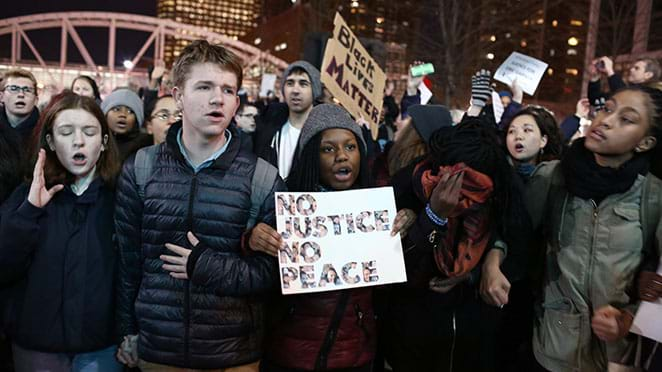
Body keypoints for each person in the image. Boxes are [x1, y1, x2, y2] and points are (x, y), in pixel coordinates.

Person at [114, 39, 285, 372]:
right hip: (158, 350)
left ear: (237, 101)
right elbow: (127, 264)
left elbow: (274, 275)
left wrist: (206, 266)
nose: (217, 98)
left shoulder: (262, 178)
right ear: (178, 95)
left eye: (228, 89)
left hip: (234, 356)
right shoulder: (141, 168)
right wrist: (128, 331)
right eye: (204, 86)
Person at [524, 86, 662, 372]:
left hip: (617, 359)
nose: (607, 120)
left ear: (645, 142)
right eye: (607, 109)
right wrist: (493, 260)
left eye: (627, 119)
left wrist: (630, 318)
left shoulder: (654, 196)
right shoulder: (551, 178)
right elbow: (517, 241)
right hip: (553, 349)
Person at [0, 91, 121, 371]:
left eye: (89, 132)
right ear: (51, 142)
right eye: (66, 132)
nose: (78, 140)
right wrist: (29, 211)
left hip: (100, 347)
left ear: (103, 142)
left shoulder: (120, 198)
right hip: (37, 346)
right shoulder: (27, 194)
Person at [255, 104, 377, 372]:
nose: (342, 157)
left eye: (350, 147)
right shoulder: (282, 204)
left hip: (354, 357)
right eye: (328, 149)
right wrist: (253, 240)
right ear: (311, 156)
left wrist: (416, 221)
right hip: (290, 356)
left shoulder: (376, 211)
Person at [253, 61, 322, 180]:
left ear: (314, 90)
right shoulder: (267, 128)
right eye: (290, 83)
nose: (295, 90)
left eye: (303, 83)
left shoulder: (325, 133)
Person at [101, 88, 152, 161]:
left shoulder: (144, 148)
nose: (123, 114)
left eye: (130, 111)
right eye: (116, 109)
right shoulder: (97, 142)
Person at [588, 56, 661, 107]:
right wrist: (595, 77)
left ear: (648, 75)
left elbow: (624, 97)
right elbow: (596, 100)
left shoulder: (653, 95)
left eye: (636, 68)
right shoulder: (626, 89)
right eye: (632, 67)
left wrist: (610, 72)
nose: (631, 70)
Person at [0, 69, 40, 149]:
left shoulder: (44, 132)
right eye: (14, 89)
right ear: (1, 97)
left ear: (36, 100)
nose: (21, 94)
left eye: (28, 90)